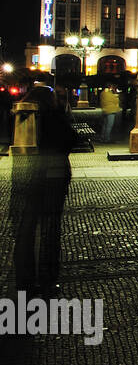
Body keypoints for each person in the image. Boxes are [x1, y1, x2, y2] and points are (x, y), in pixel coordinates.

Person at [10, 83, 74, 291]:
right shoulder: (53, 117)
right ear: (50, 100)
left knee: (26, 228)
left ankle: (24, 278)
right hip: (53, 176)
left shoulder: (22, 116)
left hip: (26, 177)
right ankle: (47, 276)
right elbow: (70, 140)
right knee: (50, 227)